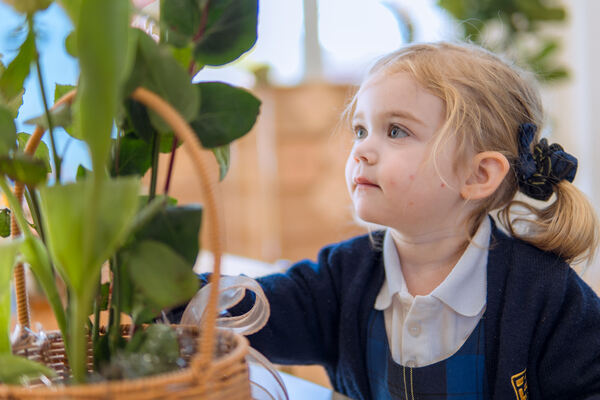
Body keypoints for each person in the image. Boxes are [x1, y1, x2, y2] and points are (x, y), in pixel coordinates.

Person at [181, 42, 600, 399]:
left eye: (396, 131)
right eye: (360, 130)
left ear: (478, 175)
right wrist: (159, 292)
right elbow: (243, 310)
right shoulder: (342, 277)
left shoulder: (546, 293)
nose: (361, 150)